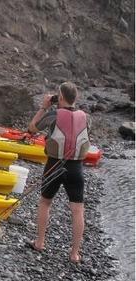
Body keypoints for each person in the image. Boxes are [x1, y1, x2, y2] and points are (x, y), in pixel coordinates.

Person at [27, 81, 90, 264]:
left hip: (54, 164)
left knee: (45, 202)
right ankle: (74, 254)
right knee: (77, 210)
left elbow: (32, 128)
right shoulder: (85, 117)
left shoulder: (53, 114)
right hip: (76, 168)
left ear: (60, 97)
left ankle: (39, 242)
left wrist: (43, 107)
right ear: (75, 98)